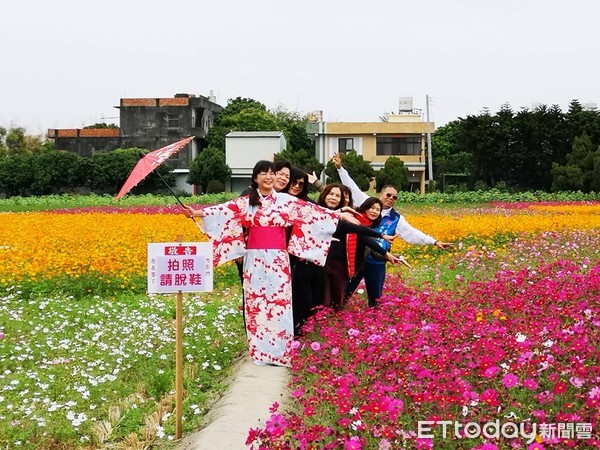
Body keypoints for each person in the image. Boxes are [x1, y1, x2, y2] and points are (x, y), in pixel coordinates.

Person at [184, 161, 340, 367]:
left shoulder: (285, 201)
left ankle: (281, 351)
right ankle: (260, 351)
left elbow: (312, 212)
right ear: (255, 177)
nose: (268, 177)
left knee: (280, 301)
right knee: (256, 302)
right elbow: (224, 210)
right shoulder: (248, 201)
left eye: (271, 173)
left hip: (278, 257)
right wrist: (197, 213)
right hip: (254, 257)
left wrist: (338, 214)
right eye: (263, 173)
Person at [331, 153, 453, 307]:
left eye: (394, 197)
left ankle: (374, 323)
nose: (390, 198)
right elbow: (352, 187)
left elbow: (412, 233)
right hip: (357, 257)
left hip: (378, 260)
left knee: (376, 299)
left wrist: (434, 241)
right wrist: (340, 168)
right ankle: (335, 314)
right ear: (380, 194)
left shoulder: (396, 218)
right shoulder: (367, 203)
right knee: (343, 292)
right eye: (388, 194)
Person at [316, 183, 406, 311]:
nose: (374, 211)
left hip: (349, 265)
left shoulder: (373, 224)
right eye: (372, 208)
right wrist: (382, 236)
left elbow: (369, 244)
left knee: (339, 298)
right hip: (329, 262)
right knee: (326, 298)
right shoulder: (352, 218)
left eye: (377, 210)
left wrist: (391, 255)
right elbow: (362, 234)